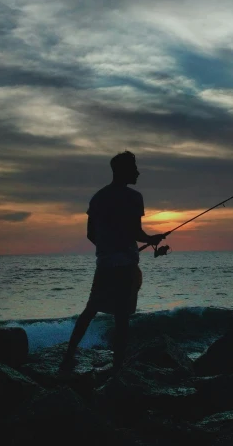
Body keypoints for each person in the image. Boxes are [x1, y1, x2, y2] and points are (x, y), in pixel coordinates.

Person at [59, 151, 167, 373]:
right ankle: (118, 367)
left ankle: (69, 355)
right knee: (122, 317)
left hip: (105, 263)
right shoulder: (134, 197)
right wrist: (151, 239)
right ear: (123, 171)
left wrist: (109, 246)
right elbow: (136, 232)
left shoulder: (98, 198)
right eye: (134, 168)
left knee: (90, 310)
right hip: (126, 265)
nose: (137, 172)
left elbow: (91, 234)